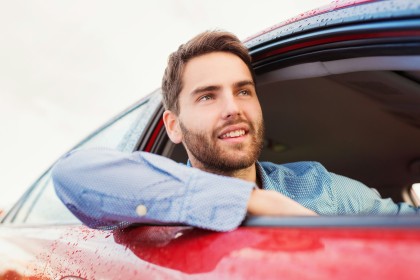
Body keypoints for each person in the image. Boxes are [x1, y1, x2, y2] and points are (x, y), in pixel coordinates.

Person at [52, 31, 418, 232]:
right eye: (208, 96)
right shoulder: (148, 202)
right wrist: (251, 202)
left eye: (244, 91)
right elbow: (72, 174)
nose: (233, 108)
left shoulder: (321, 187)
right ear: (173, 127)